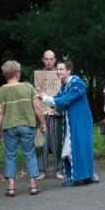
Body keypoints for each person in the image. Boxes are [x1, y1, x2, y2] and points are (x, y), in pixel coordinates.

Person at [0, 60, 45, 197]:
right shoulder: (28, 87)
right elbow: (37, 108)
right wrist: (42, 123)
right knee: (30, 154)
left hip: (9, 127)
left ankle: (11, 188)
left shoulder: (0, 91)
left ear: (5, 75)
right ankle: (33, 186)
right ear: (17, 73)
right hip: (27, 125)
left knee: (10, 156)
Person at [41, 61, 96, 186]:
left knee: (72, 148)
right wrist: (43, 96)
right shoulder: (65, 86)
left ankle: (79, 177)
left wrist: (44, 98)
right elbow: (56, 101)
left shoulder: (76, 84)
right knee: (78, 147)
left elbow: (64, 101)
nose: (58, 71)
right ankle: (86, 176)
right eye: (58, 69)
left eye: (61, 69)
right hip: (73, 121)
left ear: (69, 71)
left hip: (80, 120)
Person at [35, 50, 65, 180]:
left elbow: (65, 94)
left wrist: (60, 110)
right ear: (43, 60)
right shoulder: (37, 76)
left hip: (56, 115)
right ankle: (42, 170)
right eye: (46, 59)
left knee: (57, 142)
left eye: (51, 59)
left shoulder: (61, 74)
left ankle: (59, 169)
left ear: (55, 60)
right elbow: (33, 95)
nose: (49, 61)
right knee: (42, 142)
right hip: (42, 114)